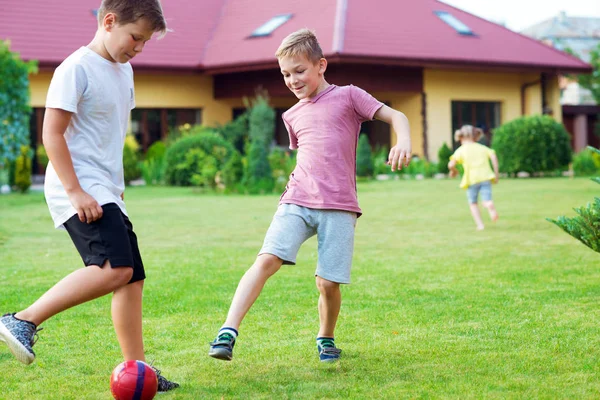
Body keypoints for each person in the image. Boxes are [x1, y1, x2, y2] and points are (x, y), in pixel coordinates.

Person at [0, 0, 178, 391]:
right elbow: (51, 134)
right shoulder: (75, 68)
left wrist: (115, 187)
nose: (139, 48)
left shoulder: (124, 71)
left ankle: (138, 370)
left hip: (104, 188)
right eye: (136, 37)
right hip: (76, 187)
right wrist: (76, 191)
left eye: (145, 42)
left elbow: (108, 133)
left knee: (132, 279)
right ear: (109, 21)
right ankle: (22, 319)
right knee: (116, 268)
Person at [209, 28, 412, 363]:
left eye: (299, 71)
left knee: (327, 283)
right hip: (297, 200)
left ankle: (326, 337)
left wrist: (402, 139)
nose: (292, 80)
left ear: (321, 65)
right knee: (266, 260)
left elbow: (397, 115)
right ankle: (227, 331)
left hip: (339, 206)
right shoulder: (291, 114)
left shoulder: (349, 96)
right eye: (285, 74)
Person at [448, 125, 499, 231]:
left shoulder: (461, 150)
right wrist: (496, 174)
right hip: (485, 178)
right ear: (475, 136)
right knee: (486, 199)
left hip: (471, 180)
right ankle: (488, 204)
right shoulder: (482, 148)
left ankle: (480, 225)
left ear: (461, 137)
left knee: (473, 203)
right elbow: (493, 156)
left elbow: (451, 165)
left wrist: (454, 171)